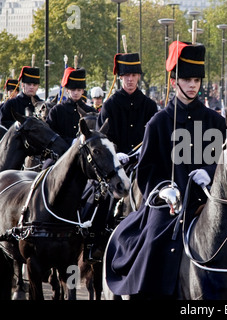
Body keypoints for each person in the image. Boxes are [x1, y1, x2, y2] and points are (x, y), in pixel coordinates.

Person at [105, 40, 227, 299]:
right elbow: (147, 171)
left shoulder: (216, 121)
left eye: (196, 79)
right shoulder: (158, 123)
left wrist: (210, 169)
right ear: (174, 82)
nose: (193, 84)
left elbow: (226, 163)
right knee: (153, 242)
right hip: (171, 205)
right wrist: (163, 190)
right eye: (186, 79)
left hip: (210, 202)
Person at [81, 53, 158, 262]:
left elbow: (155, 138)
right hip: (116, 166)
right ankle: (95, 242)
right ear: (120, 77)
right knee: (102, 197)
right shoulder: (109, 106)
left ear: (139, 77)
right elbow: (100, 140)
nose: (130, 79)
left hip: (143, 164)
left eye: (133, 75)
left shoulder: (150, 106)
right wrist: (116, 154)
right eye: (126, 75)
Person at [46, 67, 96, 145]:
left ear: (82, 91)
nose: (76, 93)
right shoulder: (57, 110)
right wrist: (70, 141)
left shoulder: (91, 111)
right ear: (67, 90)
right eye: (73, 90)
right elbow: (50, 133)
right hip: (62, 151)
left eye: (79, 90)